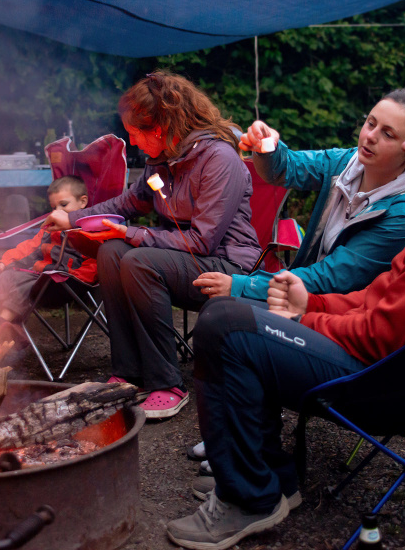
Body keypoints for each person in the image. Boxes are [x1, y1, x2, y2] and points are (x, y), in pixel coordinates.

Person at [165, 73, 405, 550]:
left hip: (384, 384)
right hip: (387, 364)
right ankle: (266, 474)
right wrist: (314, 304)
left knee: (226, 326)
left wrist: (304, 319)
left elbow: (381, 335)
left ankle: (250, 497)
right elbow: (383, 299)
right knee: (244, 318)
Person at [186, 89, 405, 467]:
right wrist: (267, 148)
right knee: (231, 314)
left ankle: (243, 446)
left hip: (343, 318)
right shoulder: (347, 164)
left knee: (238, 319)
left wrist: (242, 285)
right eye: (370, 123)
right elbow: (288, 168)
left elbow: (333, 276)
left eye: (387, 134)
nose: (370, 136)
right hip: (307, 297)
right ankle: (234, 433)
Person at [43, 70, 261, 420]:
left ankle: (168, 384)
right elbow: (128, 204)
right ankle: (129, 374)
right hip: (179, 261)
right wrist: (74, 219)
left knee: (137, 259)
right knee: (112, 253)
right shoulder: (163, 160)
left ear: (158, 128)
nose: (133, 143)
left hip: (225, 266)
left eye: (134, 134)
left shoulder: (219, 159)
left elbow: (202, 242)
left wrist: (132, 234)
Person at [0, 175, 94, 343]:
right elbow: (28, 248)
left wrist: (71, 275)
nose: (57, 211)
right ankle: (13, 334)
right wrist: (2, 264)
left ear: (83, 202)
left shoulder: (91, 230)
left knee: (23, 282)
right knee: (5, 277)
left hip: (67, 284)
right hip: (42, 280)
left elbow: (96, 263)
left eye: (64, 205)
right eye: (54, 207)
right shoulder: (50, 229)